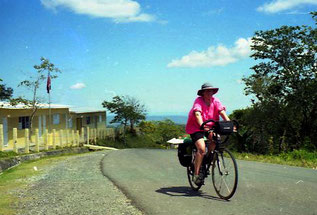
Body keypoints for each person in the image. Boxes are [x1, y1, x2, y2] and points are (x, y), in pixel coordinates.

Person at [185, 83, 230, 185]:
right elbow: (197, 113)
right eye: (207, 91)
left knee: (215, 140)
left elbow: (222, 111)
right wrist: (202, 126)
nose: (210, 93)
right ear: (203, 93)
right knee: (201, 148)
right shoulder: (198, 101)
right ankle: (196, 175)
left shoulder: (216, 101)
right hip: (196, 127)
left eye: (211, 91)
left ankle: (206, 160)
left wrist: (229, 123)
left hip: (210, 126)